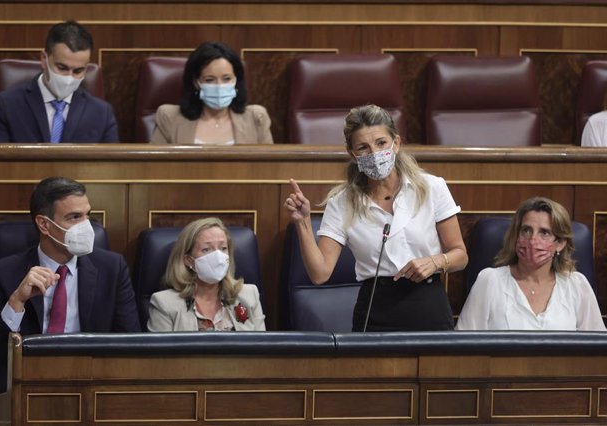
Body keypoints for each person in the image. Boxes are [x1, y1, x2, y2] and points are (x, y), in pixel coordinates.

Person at [284, 104, 468, 332]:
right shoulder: (342, 202)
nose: (374, 153)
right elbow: (320, 274)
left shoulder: (432, 187)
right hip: (376, 307)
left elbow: (460, 255)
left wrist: (435, 261)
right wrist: (302, 222)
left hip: (428, 303)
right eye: (363, 147)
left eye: (381, 143)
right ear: (353, 155)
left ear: (396, 143)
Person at [0, 177, 140, 394]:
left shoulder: (112, 268)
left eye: (87, 215)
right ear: (44, 224)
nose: (86, 226)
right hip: (28, 389)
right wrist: (16, 301)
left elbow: (131, 346)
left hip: (93, 387)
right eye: (74, 217)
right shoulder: (3, 273)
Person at [456, 197, 606, 331]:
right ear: (516, 236)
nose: (533, 240)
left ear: (560, 243)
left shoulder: (577, 285)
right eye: (526, 230)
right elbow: (463, 348)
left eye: (544, 233)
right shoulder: (489, 281)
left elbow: (597, 349)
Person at [0, 20, 118, 143]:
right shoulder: (6, 105)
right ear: (44, 59)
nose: (69, 78)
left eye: (78, 71)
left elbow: (111, 167)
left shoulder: (101, 113)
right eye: (62, 68)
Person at [147, 218, 265, 331]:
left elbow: (261, 347)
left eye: (223, 248)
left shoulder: (249, 296)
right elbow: (161, 352)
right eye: (206, 249)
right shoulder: (164, 304)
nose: (218, 257)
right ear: (189, 260)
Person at [149, 41, 273, 145]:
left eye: (226, 79)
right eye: (210, 80)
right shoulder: (170, 118)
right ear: (196, 82)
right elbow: (152, 168)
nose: (219, 86)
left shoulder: (256, 118)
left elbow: (270, 169)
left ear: (236, 80)